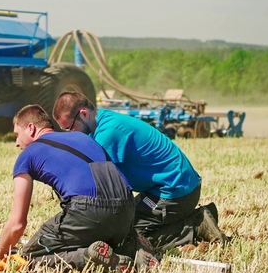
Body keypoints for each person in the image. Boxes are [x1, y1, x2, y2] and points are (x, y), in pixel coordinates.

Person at [0, 104, 157, 273]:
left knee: (31, 256)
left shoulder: (27, 155)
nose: (17, 143)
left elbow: (17, 224)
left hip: (87, 211)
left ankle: (87, 257)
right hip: (127, 209)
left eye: (17, 135)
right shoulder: (84, 138)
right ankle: (133, 248)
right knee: (103, 237)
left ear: (31, 128)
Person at [53, 92, 228, 251]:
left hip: (175, 192)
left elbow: (101, 186)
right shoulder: (98, 123)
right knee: (125, 225)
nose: (70, 133)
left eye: (70, 127)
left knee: (128, 238)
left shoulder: (108, 133)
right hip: (165, 188)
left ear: (83, 113)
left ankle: (196, 226)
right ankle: (193, 219)